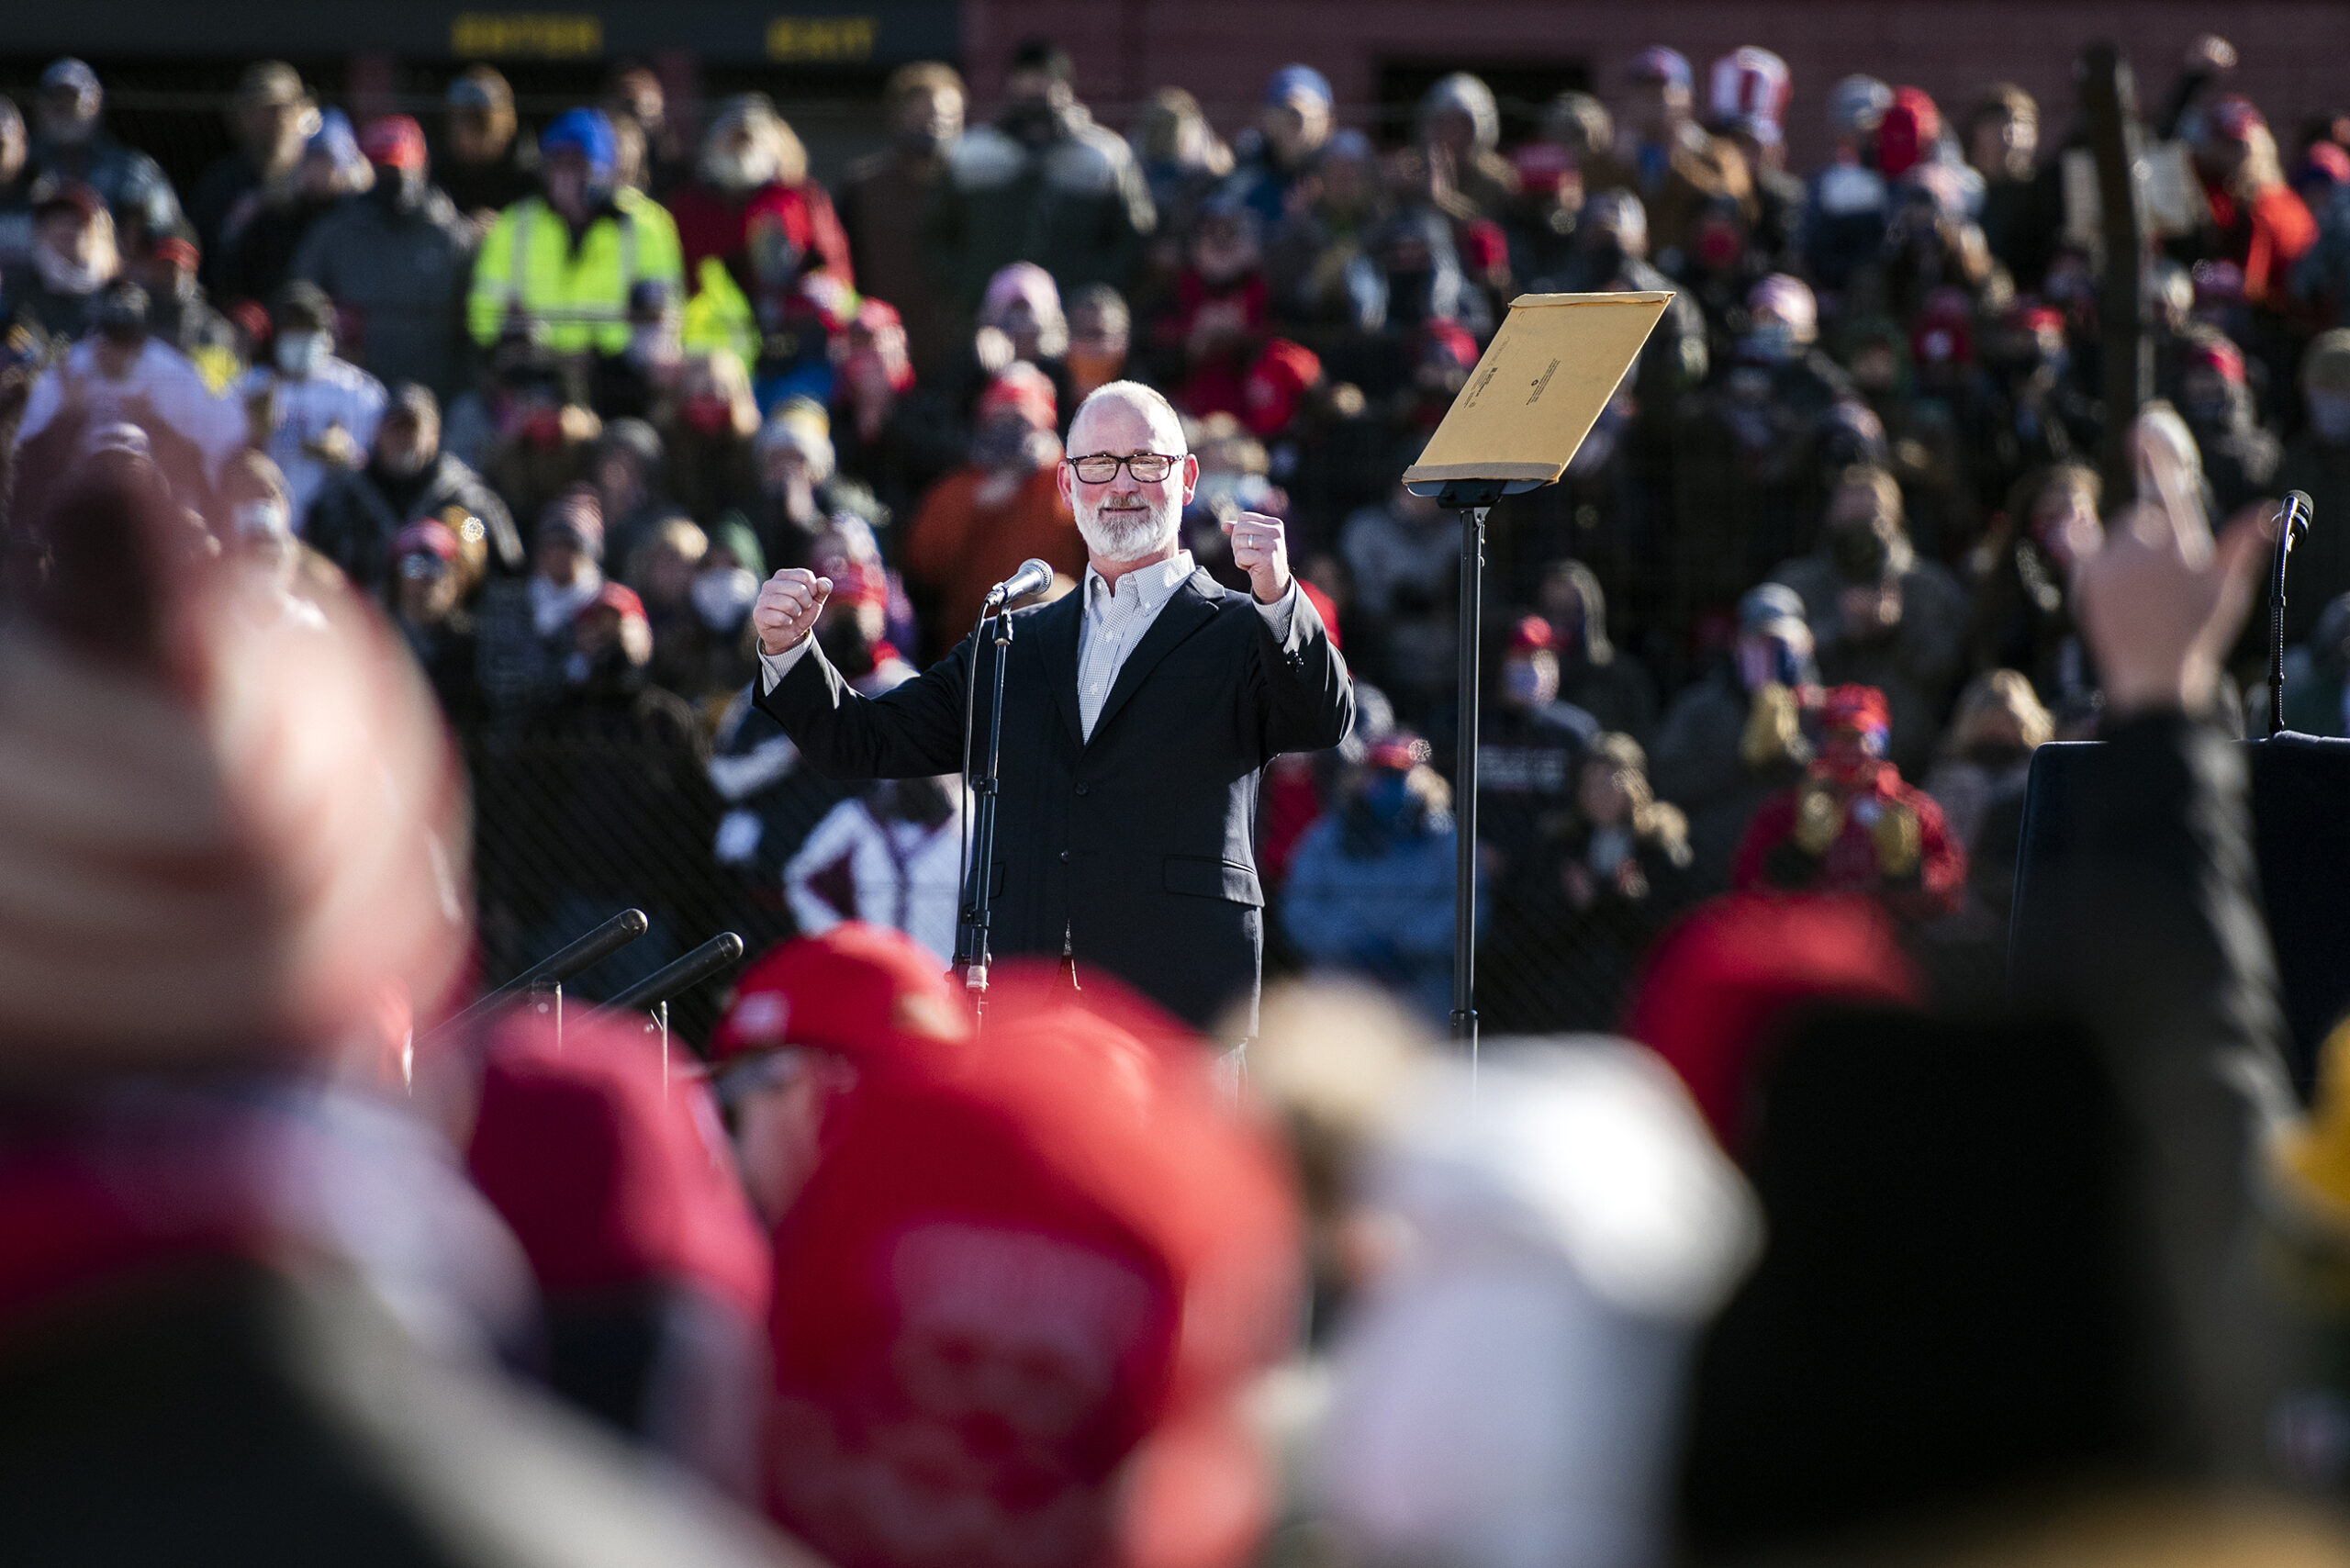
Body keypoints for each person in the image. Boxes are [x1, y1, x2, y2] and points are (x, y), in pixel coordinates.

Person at [751, 379, 1352, 1034]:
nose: (1121, 484)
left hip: (1181, 1005)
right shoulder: (1016, 638)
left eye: (1146, 462)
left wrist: (1279, 597)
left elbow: (1320, 720)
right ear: (1066, 486)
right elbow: (862, 740)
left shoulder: (1245, 626)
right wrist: (790, 649)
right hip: (1028, 1002)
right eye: (1098, 463)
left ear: (1187, 480)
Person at [925, 38, 1155, 312]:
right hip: (987, 316)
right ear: (1010, 85)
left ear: (1066, 86)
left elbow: (1134, 236)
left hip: (1075, 319)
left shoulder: (1103, 155)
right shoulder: (973, 154)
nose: (1035, 90)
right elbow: (934, 235)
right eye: (1025, 79)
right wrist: (969, 287)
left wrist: (1094, 289)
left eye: (1045, 80)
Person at [1730, 683, 1965, 922]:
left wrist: (1908, 873)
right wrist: (1798, 853)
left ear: (1881, 742)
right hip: (1804, 941)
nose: (1849, 747)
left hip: (1885, 946)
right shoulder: (1787, 807)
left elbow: (1950, 886)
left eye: (1859, 736)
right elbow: (1747, 885)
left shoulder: (1910, 809)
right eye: (1838, 735)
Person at [467, 108, 685, 361]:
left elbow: (663, 317)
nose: (564, 177)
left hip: (617, 371)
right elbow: (481, 316)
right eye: (556, 164)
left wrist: (617, 349)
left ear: (602, 168)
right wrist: (512, 332)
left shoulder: (646, 224)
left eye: (576, 165)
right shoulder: (514, 225)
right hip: (538, 367)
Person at [291, 114, 478, 403]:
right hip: (354, 398)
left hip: (435, 398)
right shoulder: (336, 235)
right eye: (382, 170)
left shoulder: (452, 238)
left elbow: (474, 326)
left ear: (421, 165)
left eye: (399, 169)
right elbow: (299, 301)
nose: (392, 181)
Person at [1281, 732, 1463, 1025]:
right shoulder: (1327, 836)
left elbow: (1468, 909)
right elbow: (1300, 909)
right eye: (1381, 772)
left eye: (1400, 774)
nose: (1390, 783)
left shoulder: (1445, 840)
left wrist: (1407, 944)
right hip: (1342, 977)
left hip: (1420, 979)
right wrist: (1353, 944)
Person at [899, 363, 1084, 641]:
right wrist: (976, 505)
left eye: (1020, 421)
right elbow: (924, 568)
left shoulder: (1071, 482)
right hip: (973, 648)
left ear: (1045, 423)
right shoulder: (959, 488)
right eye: (999, 419)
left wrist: (1046, 469)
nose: (1009, 432)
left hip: (1061, 638)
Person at [307, 382, 520, 595]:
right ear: (378, 434)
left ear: (435, 436)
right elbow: (310, 568)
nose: (403, 440)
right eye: (396, 429)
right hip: (361, 620)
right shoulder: (342, 501)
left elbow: (507, 571)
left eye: (413, 430)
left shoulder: (468, 502)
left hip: (446, 625)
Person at [834, 62, 965, 377]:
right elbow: (841, 270)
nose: (933, 124)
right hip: (882, 358)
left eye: (945, 115)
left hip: (958, 356)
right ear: (898, 116)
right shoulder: (862, 188)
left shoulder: (972, 189)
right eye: (920, 114)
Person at [1583, 46, 1752, 275]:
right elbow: (1585, 206)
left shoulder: (1716, 153)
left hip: (1696, 275)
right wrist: (1618, 164)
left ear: (1687, 97)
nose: (1654, 100)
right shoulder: (1607, 156)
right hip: (1623, 275)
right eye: (1644, 91)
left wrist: (1681, 163)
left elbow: (1737, 206)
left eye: (1665, 90)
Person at [241, 281, 388, 527]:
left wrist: (346, 454)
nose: (301, 339)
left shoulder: (359, 392)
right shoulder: (250, 386)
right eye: (293, 330)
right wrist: (254, 439)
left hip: (333, 525)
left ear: (328, 336)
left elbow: (380, 469)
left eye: (309, 331)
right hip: (266, 521)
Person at [23, 57, 183, 252]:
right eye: (54, 99)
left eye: (73, 98)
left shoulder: (133, 170)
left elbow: (167, 233)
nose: (63, 107)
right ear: (39, 107)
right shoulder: (17, 170)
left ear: (96, 102)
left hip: (115, 277)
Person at [188, 61, 316, 263]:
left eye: (286, 107)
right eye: (265, 109)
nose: (279, 119)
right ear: (243, 116)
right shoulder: (220, 182)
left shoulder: (320, 179)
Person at [4, 181, 118, 342]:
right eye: (57, 221)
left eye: (74, 222)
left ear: (92, 232)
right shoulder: (15, 286)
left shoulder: (113, 289)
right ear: (41, 230)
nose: (65, 230)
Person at [1227, 65, 1337, 230]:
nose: (1298, 122)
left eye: (1311, 110)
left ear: (1328, 121)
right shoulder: (1244, 172)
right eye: (1286, 110)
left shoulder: (1343, 175)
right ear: (1266, 117)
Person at [436, 64, 537, 228]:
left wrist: (503, 229)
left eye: (479, 125)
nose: (464, 137)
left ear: (508, 126)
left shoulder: (534, 184)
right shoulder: (438, 178)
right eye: (456, 123)